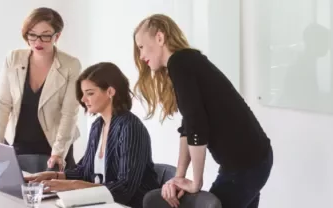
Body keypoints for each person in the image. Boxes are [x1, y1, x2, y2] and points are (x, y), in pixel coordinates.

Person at [133, 14, 273, 208]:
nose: (141, 56)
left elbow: (197, 127)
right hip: (253, 159)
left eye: (141, 47)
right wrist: (179, 178)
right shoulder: (187, 62)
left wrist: (195, 182)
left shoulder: (180, 63)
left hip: (246, 164)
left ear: (159, 38)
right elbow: (189, 126)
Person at [25, 62, 160, 208]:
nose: (83, 99)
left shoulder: (130, 127)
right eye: (83, 94)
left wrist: (72, 185)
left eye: (90, 93)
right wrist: (54, 176)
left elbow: (124, 189)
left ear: (110, 92)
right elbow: (84, 170)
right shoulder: (98, 126)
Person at [0, 7, 81, 172]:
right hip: (17, 146)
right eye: (32, 35)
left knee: (52, 196)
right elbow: (2, 105)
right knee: (10, 194)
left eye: (45, 35)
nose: (38, 42)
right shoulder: (14, 59)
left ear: (56, 36)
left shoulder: (70, 65)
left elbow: (69, 113)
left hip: (54, 147)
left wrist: (58, 153)